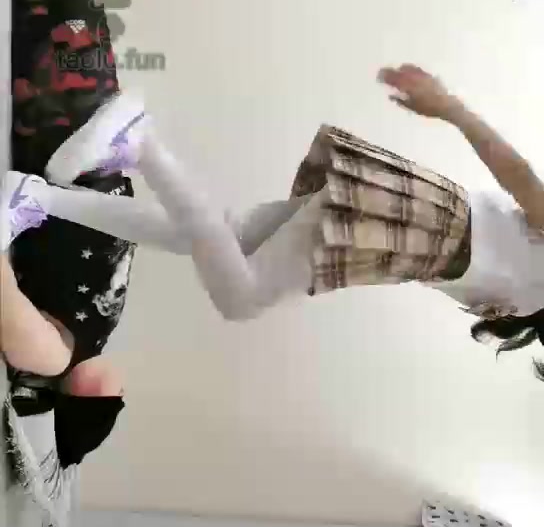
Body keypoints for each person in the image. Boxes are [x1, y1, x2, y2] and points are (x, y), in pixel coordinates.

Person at [4, 65, 544, 379]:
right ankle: (140, 142)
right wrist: (449, 106)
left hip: (422, 237)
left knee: (222, 237)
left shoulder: (530, 309)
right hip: (427, 226)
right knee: (241, 296)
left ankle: (37, 199)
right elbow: (521, 178)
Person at [0, 0, 144, 517]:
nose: (120, 394)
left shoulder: (52, 355)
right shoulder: (95, 337)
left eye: (109, 406)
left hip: (63, 137)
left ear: (79, 402)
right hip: (98, 138)